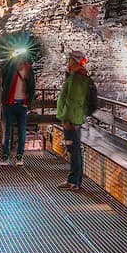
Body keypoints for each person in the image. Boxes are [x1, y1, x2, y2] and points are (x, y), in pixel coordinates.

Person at [55, 52, 96, 191]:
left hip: (72, 121)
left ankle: (74, 182)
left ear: (74, 61)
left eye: (69, 60)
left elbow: (73, 100)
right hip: (73, 119)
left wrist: (67, 119)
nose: (68, 62)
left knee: (74, 150)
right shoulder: (75, 76)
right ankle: (74, 180)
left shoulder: (77, 77)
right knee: (73, 149)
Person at [0, 44, 37, 166]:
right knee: (7, 131)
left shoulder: (28, 69)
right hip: (10, 103)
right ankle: (5, 156)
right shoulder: (10, 67)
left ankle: (19, 156)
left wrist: (28, 104)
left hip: (22, 104)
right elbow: (3, 75)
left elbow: (32, 87)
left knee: (21, 131)